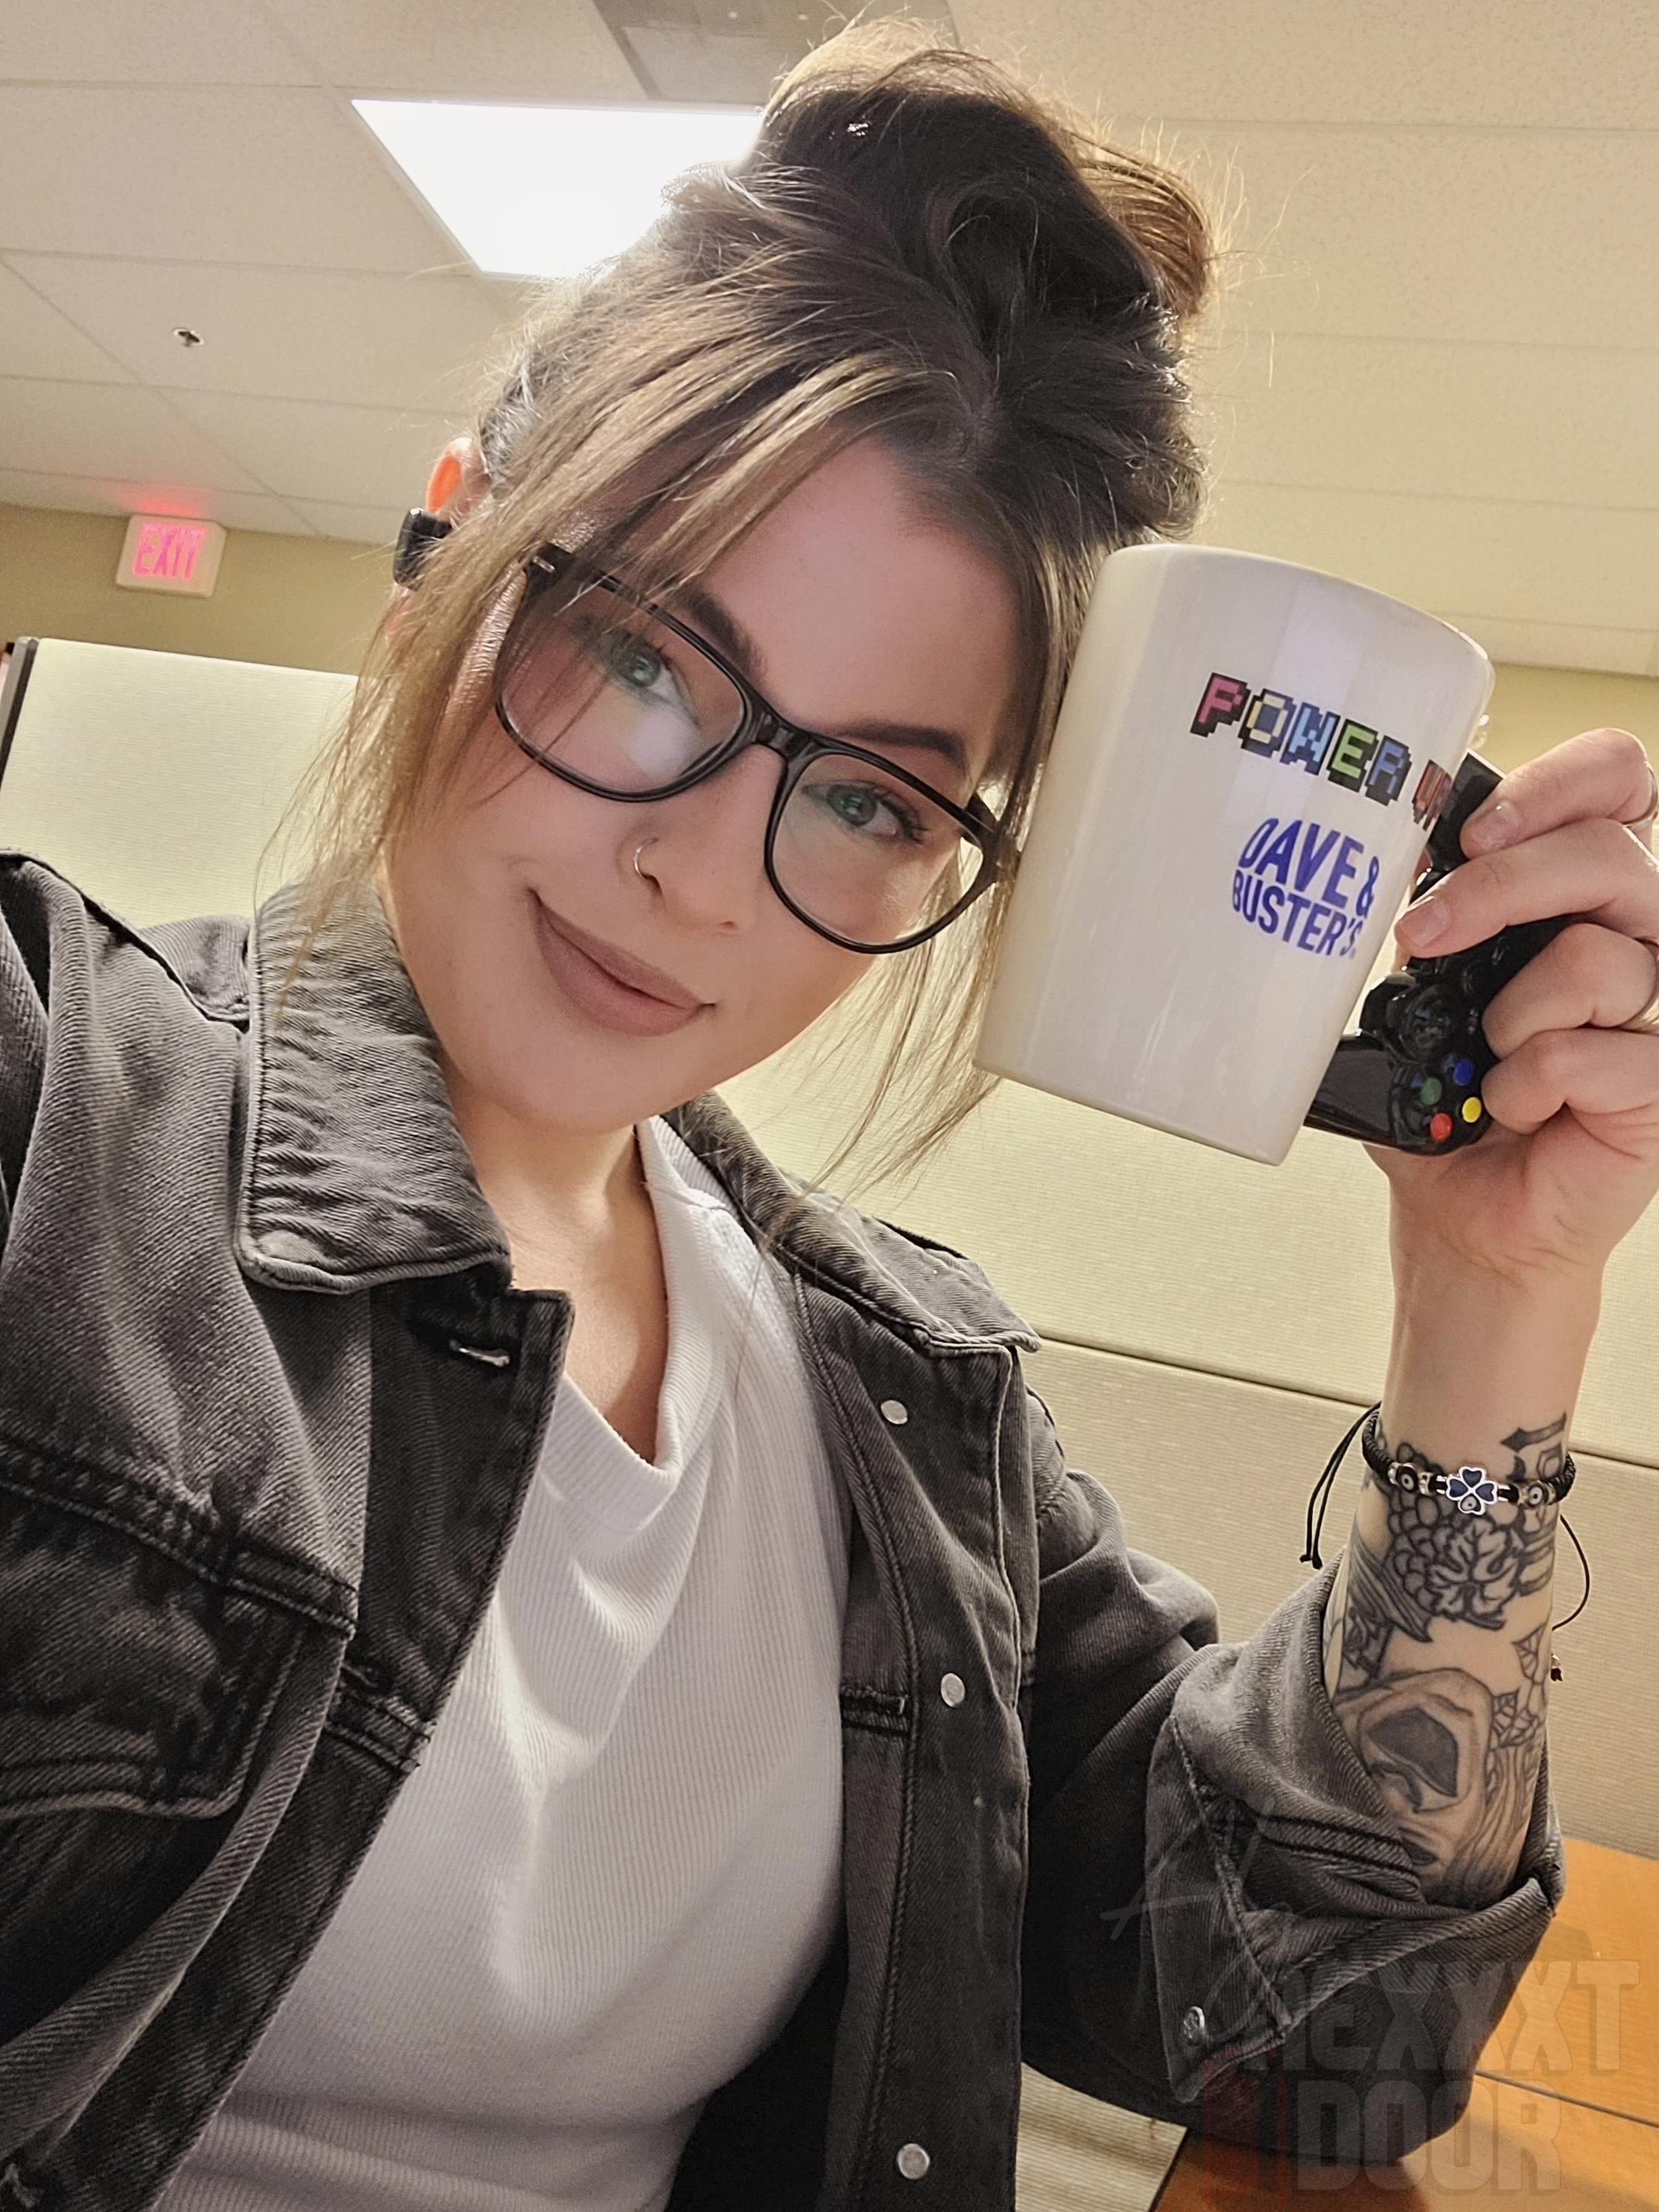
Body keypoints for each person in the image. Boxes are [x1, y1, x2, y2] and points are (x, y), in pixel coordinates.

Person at [2, 22, 1657, 2211]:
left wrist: (1497, 1291)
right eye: (642, 661)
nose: (700, 870)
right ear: (446, 546)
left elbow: (1327, 2045)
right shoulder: (58, 1120)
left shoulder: (910, 1401)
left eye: (870, 794)